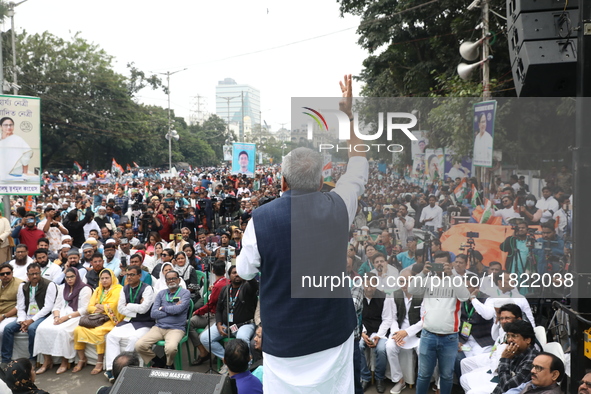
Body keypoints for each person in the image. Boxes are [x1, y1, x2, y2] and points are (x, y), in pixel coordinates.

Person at [237, 74, 368, 392]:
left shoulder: (260, 220)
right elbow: (359, 161)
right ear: (323, 182)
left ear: (282, 182)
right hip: (333, 336)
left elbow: (245, 270)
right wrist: (348, 116)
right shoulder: (340, 204)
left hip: (284, 344)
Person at [408, 251, 470, 394]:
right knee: (423, 375)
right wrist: (423, 272)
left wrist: (451, 275)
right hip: (428, 335)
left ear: (450, 265)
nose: (440, 267)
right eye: (437, 264)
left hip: (449, 337)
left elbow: (465, 297)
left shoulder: (456, 279)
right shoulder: (428, 278)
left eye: (443, 264)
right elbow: (411, 289)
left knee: (447, 376)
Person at [33, 267, 92, 375]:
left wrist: (65, 318)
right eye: (67, 277)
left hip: (75, 315)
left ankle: (64, 362)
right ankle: (47, 361)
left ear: (77, 276)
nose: (69, 279)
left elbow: (84, 310)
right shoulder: (62, 288)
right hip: (60, 314)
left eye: (72, 277)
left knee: (62, 331)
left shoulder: (85, 288)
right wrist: (56, 317)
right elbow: (56, 306)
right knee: (41, 328)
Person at [104, 265, 155, 383]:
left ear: (139, 276)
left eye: (132, 274)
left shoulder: (147, 289)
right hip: (129, 320)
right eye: (128, 274)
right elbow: (120, 309)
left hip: (145, 322)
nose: (129, 277)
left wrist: (129, 305)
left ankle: (126, 369)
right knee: (111, 336)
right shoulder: (124, 288)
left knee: (133, 339)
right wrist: (135, 307)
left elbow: (144, 309)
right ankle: (112, 369)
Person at [201, 265, 258, 367]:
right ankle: (228, 361)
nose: (237, 274)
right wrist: (218, 324)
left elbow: (254, 286)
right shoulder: (224, 290)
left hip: (245, 325)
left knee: (242, 338)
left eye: (239, 272)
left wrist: (246, 274)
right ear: (229, 276)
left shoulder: (247, 288)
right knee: (205, 338)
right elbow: (218, 310)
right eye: (234, 272)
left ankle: (246, 365)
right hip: (225, 324)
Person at [1, 263, 58, 364]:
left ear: (40, 273)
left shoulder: (49, 285)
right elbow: (21, 306)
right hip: (26, 316)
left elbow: (48, 307)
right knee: (8, 328)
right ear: (27, 275)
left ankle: (32, 358)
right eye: (32, 274)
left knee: (32, 329)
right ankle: (6, 360)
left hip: (42, 315)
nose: (34, 276)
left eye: (37, 273)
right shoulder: (23, 286)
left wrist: (31, 321)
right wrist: (22, 321)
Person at [134, 269, 191, 369]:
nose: (171, 281)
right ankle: (159, 362)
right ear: (166, 282)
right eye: (168, 279)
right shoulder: (161, 294)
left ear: (179, 280)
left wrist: (163, 308)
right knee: (139, 345)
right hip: (159, 327)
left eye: (174, 278)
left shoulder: (185, 293)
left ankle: (169, 364)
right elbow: (153, 313)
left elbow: (179, 309)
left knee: (171, 348)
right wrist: (172, 311)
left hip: (176, 328)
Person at [72, 268, 124, 375]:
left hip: (110, 319)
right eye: (102, 278)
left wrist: (101, 307)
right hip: (96, 317)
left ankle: (99, 361)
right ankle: (82, 359)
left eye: (107, 278)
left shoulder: (118, 289)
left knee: (99, 332)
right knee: (78, 329)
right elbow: (89, 307)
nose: (104, 280)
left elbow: (114, 305)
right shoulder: (98, 290)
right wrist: (101, 308)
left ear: (112, 278)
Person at [385, 269, 424, 394]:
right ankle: (399, 380)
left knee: (423, 350)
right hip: (400, 332)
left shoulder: (422, 295)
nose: (404, 284)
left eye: (408, 281)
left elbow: (423, 321)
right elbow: (393, 318)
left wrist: (406, 332)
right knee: (390, 346)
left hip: (417, 334)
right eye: (402, 281)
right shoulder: (394, 294)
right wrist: (397, 334)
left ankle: (423, 381)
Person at [189, 259, 227, 366]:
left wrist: (197, 311)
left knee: (204, 336)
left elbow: (209, 305)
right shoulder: (220, 283)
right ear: (225, 271)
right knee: (189, 323)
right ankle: (203, 352)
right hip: (209, 314)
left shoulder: (220, 285)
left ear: (213, 271)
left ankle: (219, 357)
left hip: (215, 316)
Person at [0, 117, 37, 182]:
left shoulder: (18, 140)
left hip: (15, 174)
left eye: (11, 125)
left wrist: (25, 174)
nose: (9, 127)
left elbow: (26, 157)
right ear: (1, 127)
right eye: (6, 125)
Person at [0, 263, 23, 352]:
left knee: (1, 330)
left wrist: (3, 316)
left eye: (8, 273)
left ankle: (3, 357)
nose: (5, 276)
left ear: (12, 273)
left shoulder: (20, 284)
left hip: (11, 315)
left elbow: (20, 306)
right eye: (2, 274)